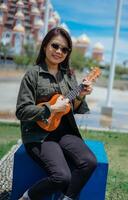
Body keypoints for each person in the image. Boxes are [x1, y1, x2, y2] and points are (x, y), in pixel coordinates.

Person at [16, 27, 97, 200]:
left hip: (64, 131)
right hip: (39, 134)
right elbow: (22, 111)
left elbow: (72, 108)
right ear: (45, 46)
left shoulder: (68, 75)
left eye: (65, 49)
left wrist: (80, 95)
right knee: (62, 176)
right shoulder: (33, 75)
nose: (59, 51)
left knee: (89, 162)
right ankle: (27, 197)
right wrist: (51, 109)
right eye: (55, 46)